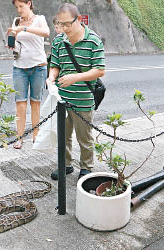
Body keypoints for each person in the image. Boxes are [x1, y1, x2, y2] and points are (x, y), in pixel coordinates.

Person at [47, 3, 105, 181]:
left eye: (67, 24)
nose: (63, 28)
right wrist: (51, 77)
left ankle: (86, 167)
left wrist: (75, 77)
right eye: (60, 24)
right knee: (63, 136)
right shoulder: (59, 40)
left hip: (83, 99)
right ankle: (65, 164)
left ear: (79, 20)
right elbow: (55, 64)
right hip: (62, 98)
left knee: (84, 138)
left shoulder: (93, 40)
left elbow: (99, 70)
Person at [8, 0, 50, 149]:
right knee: (20, 104)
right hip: (19, 67)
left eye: (21, 6)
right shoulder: (16, 21)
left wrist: (24, 29)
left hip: (38, 67)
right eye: (16, 7)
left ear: (29, 3)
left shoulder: (40, 19)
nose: (19, 10)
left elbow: (46, 33)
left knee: (35, 103)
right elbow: (16, 40)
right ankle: (19, 138)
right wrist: (12, 42)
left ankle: (35, 136)